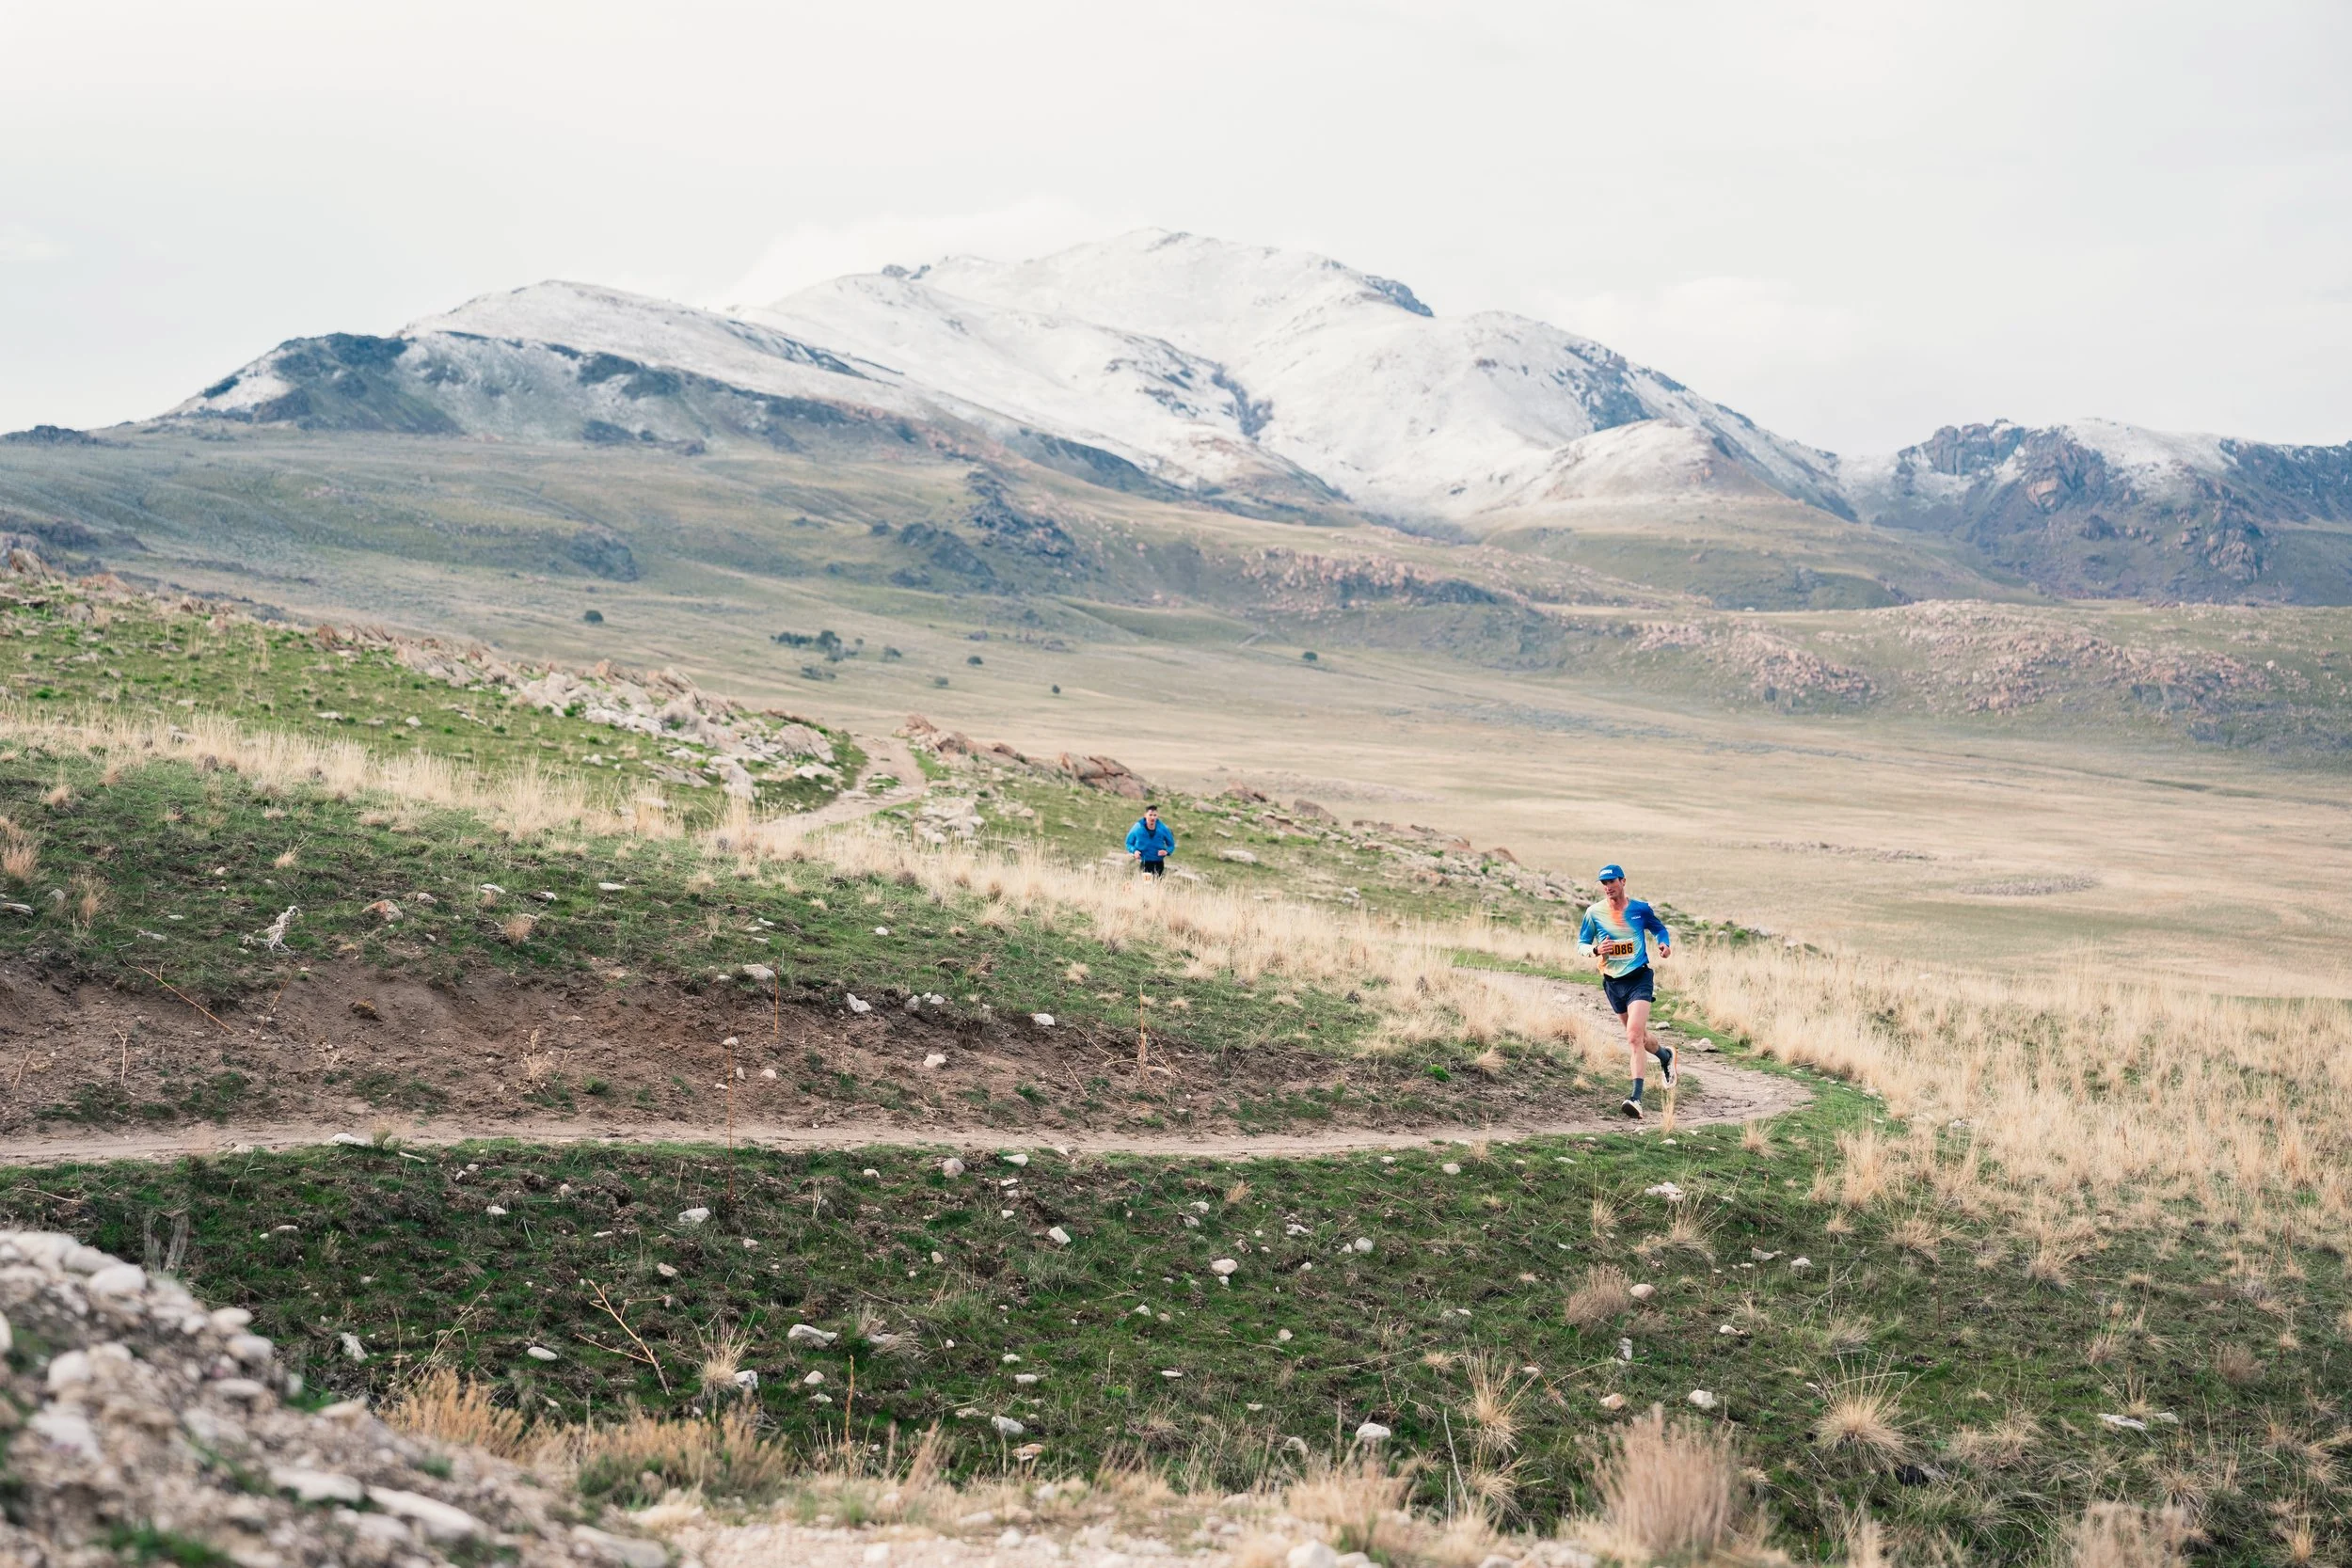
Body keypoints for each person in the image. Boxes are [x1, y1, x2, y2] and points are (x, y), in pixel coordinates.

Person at [1577, 863, 1674, 1119]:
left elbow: (1659, 928)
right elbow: (1581, 944)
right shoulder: (1594, 913)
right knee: (1640, 1038)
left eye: (1612, 882)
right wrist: (1596, 951)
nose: (1608, 887)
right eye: (1604, 883)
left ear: (1623, 881)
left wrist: (1664, 944)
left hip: (1639, 979)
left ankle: (1636, 1099)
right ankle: (1665, 1057)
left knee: (1632, 1037)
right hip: (1612, 983)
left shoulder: (1640, 909)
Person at [1125, 804, 1175, 879]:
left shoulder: (1163, 828)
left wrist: (1167, 852)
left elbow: (1171, 845)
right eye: (1150, 815)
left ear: (1157, 816)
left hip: (1158, 862)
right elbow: (1128, 843)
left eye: (1155, 815)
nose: (1153, 817)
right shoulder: (1138, 827)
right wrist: (1134, 851)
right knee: (1147, 884)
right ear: (1145, 815)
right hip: (1144, 861)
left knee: (1156, 885)